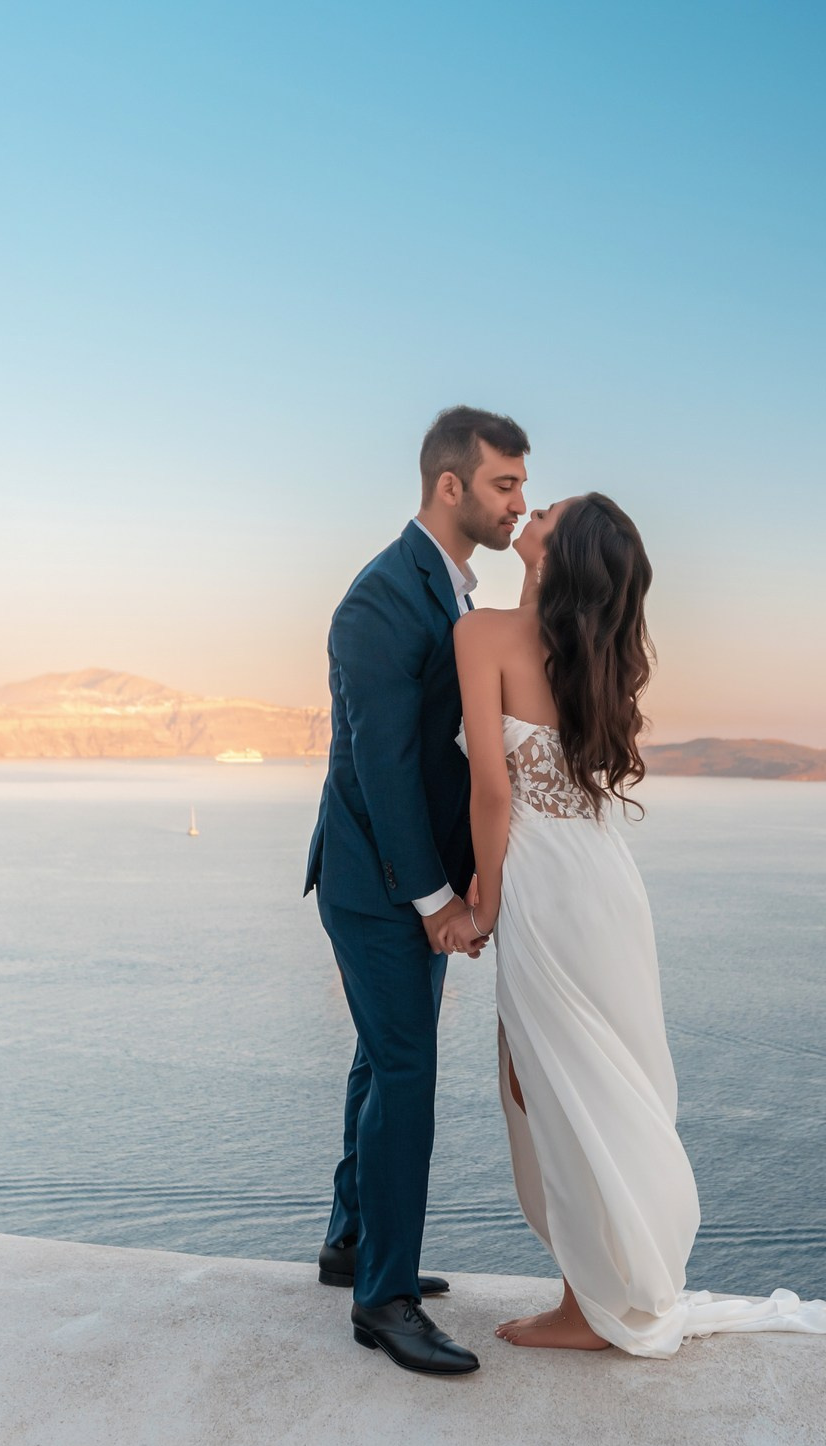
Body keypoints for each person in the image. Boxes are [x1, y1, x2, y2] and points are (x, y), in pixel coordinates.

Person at [452, 494, 826, 1357]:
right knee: (588, 1078)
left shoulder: (482, 636)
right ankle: (598, 1288)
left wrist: (481, 904)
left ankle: (587, 1303)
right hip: (603, 885)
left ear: (561, 548)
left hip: (544, 886)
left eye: (549, 509)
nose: (535, 504)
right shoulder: (592, 654)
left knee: (547, 1084)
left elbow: (493, 790)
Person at [304, 406, 527, 1376]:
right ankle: (384, 1301)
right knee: (404, 1075)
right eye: (504, 485)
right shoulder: (380, 601)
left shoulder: (449, 592)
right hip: (374, 882)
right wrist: (436, 900)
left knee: (380, 1058)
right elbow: (381, 767)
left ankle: (350, 1243)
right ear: (451, 486)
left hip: (408, 877)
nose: (519, 501)